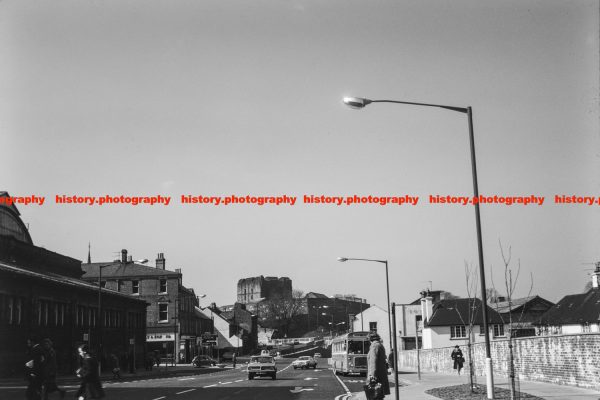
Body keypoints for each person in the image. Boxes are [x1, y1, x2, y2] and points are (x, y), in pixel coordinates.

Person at [366, 333, 391, 400]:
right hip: (381, 376)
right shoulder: (379, 345)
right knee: (379, 396)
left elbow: (373, 362)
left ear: (370, 339)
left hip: (376, 377)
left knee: (374, 396)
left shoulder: (374, 346)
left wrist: (372, 377)